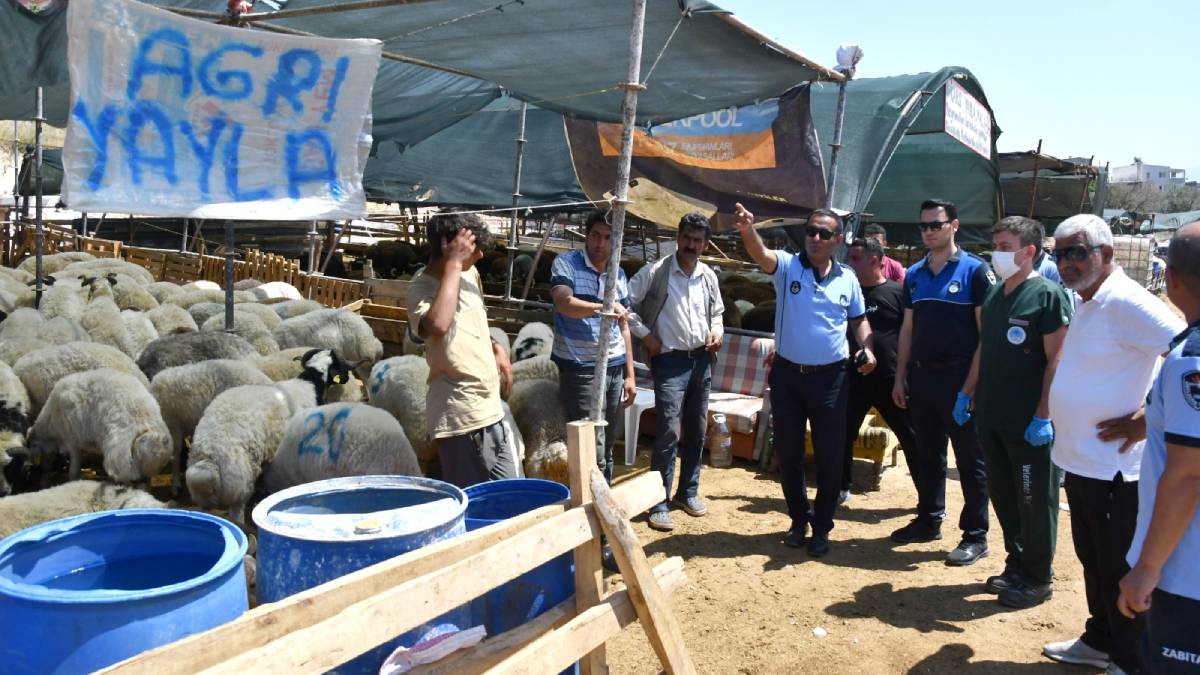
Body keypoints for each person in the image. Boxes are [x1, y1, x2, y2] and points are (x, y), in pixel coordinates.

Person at [1042, 214, 1185, 673]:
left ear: (1107, 254)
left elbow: (1184, 350)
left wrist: (1149, 418)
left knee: (1117, 569)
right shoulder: (1089, 299)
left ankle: (1129, 659)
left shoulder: (1126, 300)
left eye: (1077, 252)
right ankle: (1101, 639)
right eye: (1059, 253)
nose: (1066, 262)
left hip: (1116, 470)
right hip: (1082, 462)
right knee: (1092, 563)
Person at [734, 202, 876, 558]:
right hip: (788, 378)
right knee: (790, 453)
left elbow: (858, 319)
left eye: (824, 233)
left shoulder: (847, 278)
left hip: (832, 379)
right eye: (811, 231)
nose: (814, 237)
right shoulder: (787, 266)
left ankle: (822, 527)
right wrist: (748, 229)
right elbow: (762, 254)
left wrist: (868, 347)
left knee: (829, 456)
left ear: (837, 240)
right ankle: (799, 521)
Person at [965, 216, 1071, 608]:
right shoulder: (995, 295)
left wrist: (1044, 414)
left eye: (1005, 245)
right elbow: (984, 348)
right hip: (992, 415)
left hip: (1029, 421)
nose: (997, 252)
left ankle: (1038, 577)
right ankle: (1017, 562)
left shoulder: (1046, 295)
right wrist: (967, 392)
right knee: (1004, 495)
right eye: (995, 244)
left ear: (1029, 251)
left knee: (1033, 498)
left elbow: (1056, 359)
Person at [890, 198, 993, 565]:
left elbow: (987, 335)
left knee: (970, 459)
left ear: (954, 225)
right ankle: (929, 519)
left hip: (959, 378)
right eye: (924, 226)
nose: (929, 231)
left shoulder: (975, 272)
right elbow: (907, 328)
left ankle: (975, 535)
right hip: (922, 377)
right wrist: (900, 375)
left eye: (936, 224)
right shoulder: (914, 274)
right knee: (927, 453)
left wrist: (972, 386)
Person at [1118, 221, 1200, 674]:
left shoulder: (1192, 359)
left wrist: (1148, 569)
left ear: (1169, 278)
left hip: (1187, 575)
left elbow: (1189, 473)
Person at [626, 212, 724, 531]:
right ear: (678, 237)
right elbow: (623, 305)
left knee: (696, 430)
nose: (692, 246)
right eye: (687, 239)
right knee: (668, 431)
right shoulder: (656, 272)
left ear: (705, 244)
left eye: (698, 241)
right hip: (670, 361)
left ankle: (687, 492)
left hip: (702, 360)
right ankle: (658, 502)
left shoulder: (708, 275)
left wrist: (716, 332)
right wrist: (646, 336)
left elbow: (718, 313)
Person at [550, 209, 637, 568]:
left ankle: (603, 528)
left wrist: (632, 372)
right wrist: (604, 307)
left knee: (608, 446)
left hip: (614, 364)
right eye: (596, 235)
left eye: (608, 237)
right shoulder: (566, 264)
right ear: (586, 236)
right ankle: (592, 535)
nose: (601, 243)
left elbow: (624, 324)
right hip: (581, 368)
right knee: (591, 452)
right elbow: (564, 303)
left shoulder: (619, 272)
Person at [406, 211, 518, 488]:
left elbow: (472, 320)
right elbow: (439, 324)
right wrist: (454, 265)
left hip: (490, 408)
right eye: (472, 248)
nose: (480, 255)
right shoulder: (420, 287)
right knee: (479, 505)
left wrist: (495, 346)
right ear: (449, 246)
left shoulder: (470, 273)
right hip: (460, 416)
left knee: (510, 497)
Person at [841, 237, 919, 504]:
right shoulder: (847, 293)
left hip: (890, 381)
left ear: (874, 261)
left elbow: (912, 334)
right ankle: (841, 487)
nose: (849, 263)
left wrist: (906, 376)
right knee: (842, 433)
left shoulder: (898, 293)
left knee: (912, 437)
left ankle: (929, 501)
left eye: (855, 258)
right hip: (853, 379)